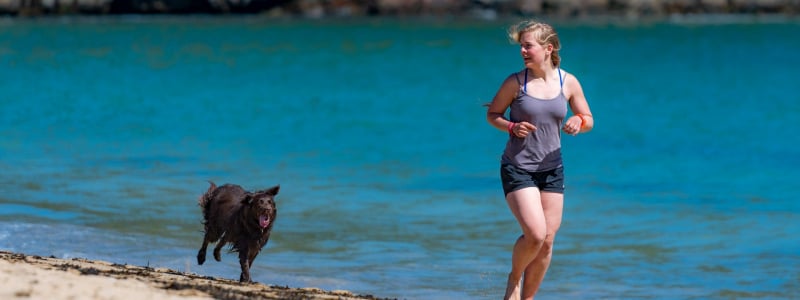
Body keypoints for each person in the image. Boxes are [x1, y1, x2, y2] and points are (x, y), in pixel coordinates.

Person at [485, 19, 593, 300]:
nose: (522, 50)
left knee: (546, 242)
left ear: (547, 49)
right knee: (534, 233)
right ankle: (514, 278)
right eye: (521, 45)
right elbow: (493, 115)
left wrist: (578, 122)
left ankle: (528, 298)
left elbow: (589, 119)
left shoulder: (567, 82)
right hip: (518, 167)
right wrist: (511, 126)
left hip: (552, 170)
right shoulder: (515, 82)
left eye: (527, 46)